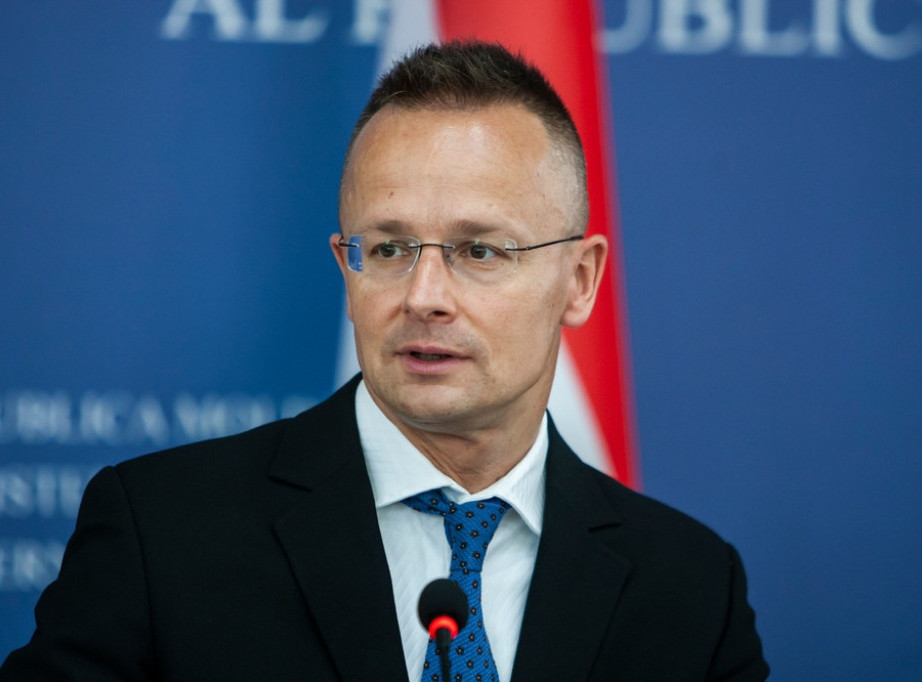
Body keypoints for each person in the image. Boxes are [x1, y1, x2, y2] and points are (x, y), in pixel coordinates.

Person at [0, 42, 768, 681]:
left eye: (479, 251)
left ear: (580, 280)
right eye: (392, 248)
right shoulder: (163, 533)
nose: (424, 296)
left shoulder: (692, 589)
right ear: (347, 266)